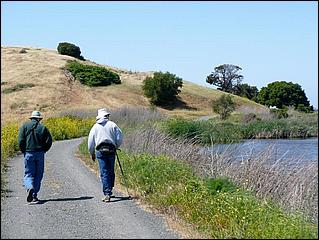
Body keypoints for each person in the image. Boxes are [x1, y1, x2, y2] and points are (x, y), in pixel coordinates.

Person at [88, 108, 123, 202]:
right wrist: (116, 146)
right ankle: (109, 189)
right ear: (106, 116)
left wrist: (92, 153)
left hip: (100, 151)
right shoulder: (113, 125)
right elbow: (120, 138)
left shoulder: (95, 127)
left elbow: (90, 142)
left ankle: (107, 193)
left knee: (104, 172)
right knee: (111, 170)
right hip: (111, 150)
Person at [18, 110, 53, 204]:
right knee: (38, 174)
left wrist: (24, 151)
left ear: (31, 118)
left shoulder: (24, 126)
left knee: (29, 173)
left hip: (28, 153)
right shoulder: (43, 128)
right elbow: (49, 141)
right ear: (39, 119)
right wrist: (44, 150)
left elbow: (20, 140)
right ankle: (34, 195)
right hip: (40, 153)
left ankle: (29, 187)